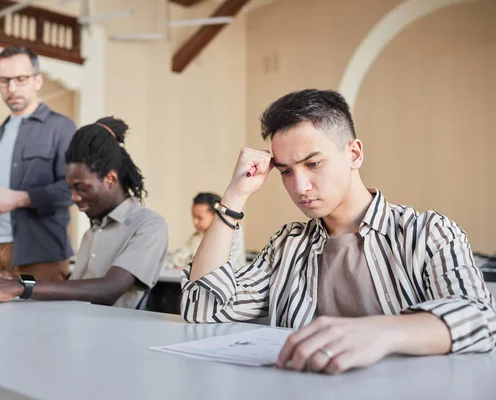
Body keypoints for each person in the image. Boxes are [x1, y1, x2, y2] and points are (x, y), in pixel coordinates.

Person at [181, 89, 496, 374]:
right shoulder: (287, 245)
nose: (299, 186)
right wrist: (235, 195)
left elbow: (481, 319)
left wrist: (380, 332)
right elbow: (202, 308)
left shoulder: (427, 232)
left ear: (354, 154)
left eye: (313, 164)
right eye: (287, 172)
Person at [0, 117, 168, 307]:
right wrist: (12, 281)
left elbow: (109, 290)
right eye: (71, 189)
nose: (74, 198)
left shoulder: (148, 224)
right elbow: (73, 288)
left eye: (81, 188)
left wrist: (21, 287)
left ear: (110, 179)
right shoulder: (94, 230)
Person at [0, 46, 76, 282]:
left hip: (41, 253)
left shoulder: (61, 128)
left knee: (39, 319)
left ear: (37, 81)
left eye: (20, 79)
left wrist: (21, 198)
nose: (11, 89)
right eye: (4, 81)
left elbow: (72, 190)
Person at [165, 192, 246, 270]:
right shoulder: (200, 234)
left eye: (199, 218)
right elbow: (177, 259)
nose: (194, 222)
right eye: (193, 216)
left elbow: (221, 265)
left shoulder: (233, 231)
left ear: (216, 215)